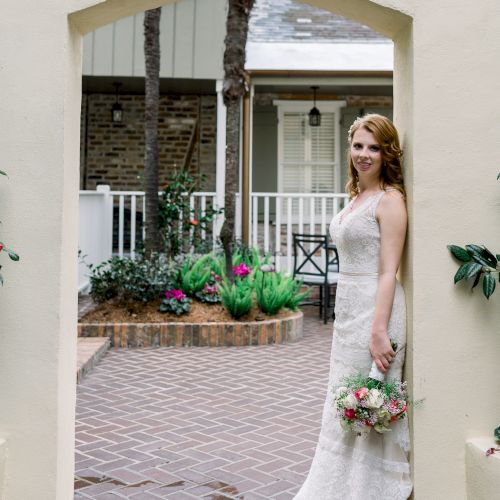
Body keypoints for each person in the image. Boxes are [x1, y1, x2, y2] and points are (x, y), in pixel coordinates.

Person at [293, 114, 412, 499]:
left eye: (373, 147)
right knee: (344, 401)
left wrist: (379, 330)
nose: (364, 154)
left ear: (386, 153)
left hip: (375, 313)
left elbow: (388, 272)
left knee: (369, 401)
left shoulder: (390, 200)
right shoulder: (356, 197)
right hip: (348, 315)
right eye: (358, 145)